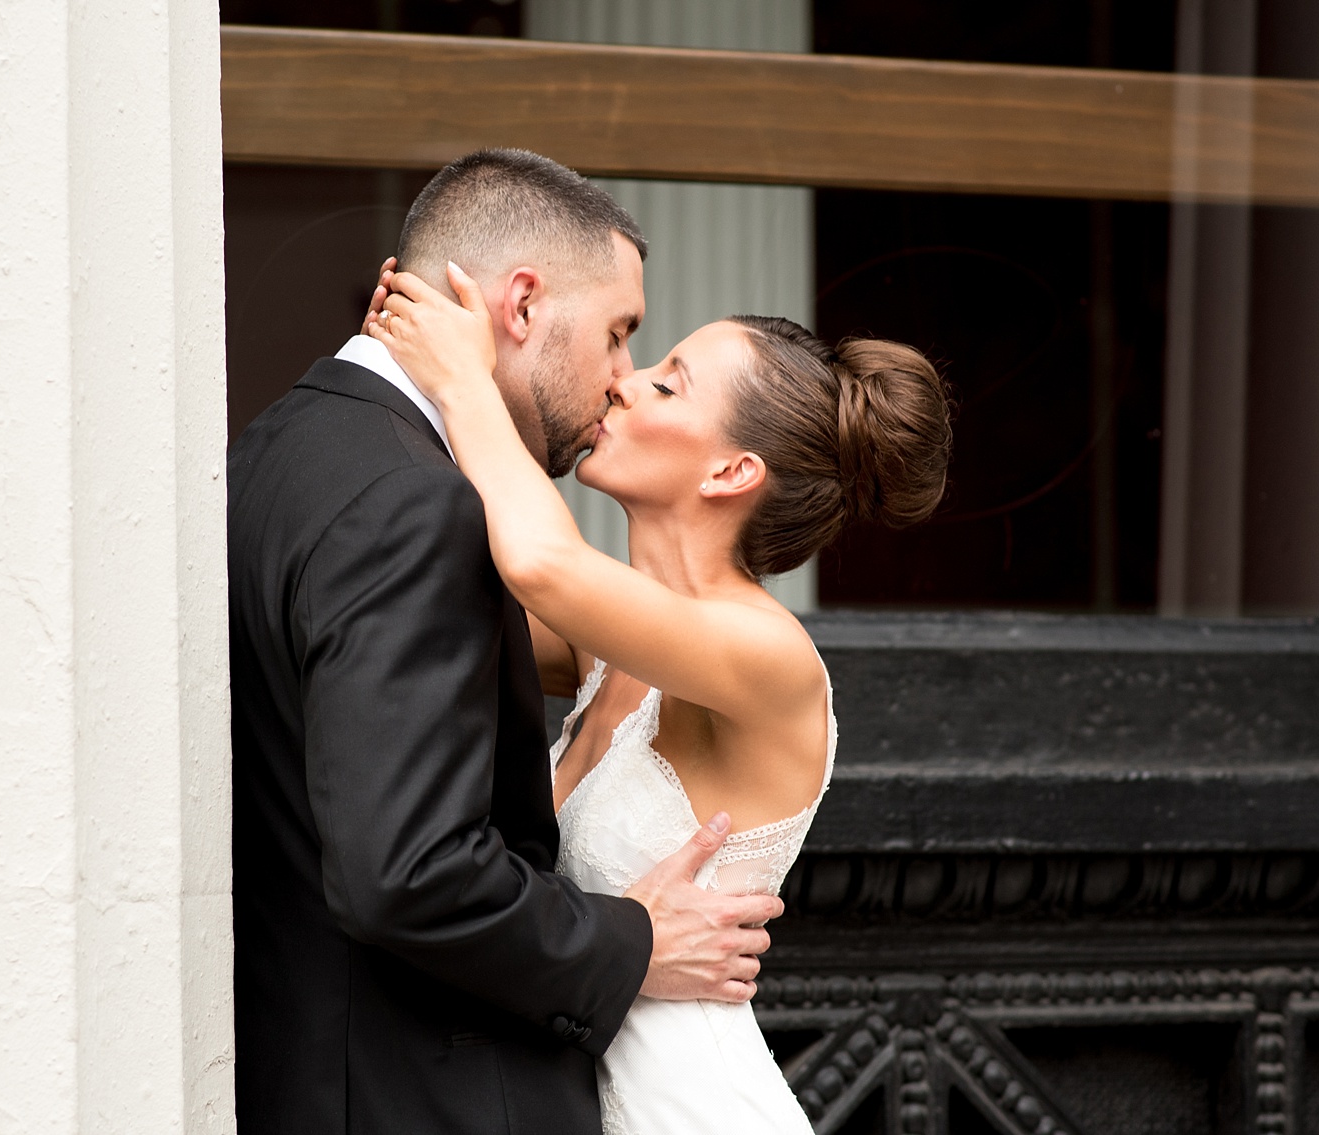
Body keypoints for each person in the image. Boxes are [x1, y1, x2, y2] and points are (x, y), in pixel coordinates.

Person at [228, 149, 785, 1135]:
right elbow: (405, 869)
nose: (620, 381)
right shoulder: (415, 509)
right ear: (520, 307)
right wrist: (628, 942)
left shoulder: (273, 448)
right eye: (620, 336)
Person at [364, 258, 953, 1131]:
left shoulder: (768, 654)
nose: (624, 385)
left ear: (729, 473)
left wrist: (462, 375)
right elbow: (422, 612)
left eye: (667, 384)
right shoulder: (601, 653)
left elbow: (540, 562)